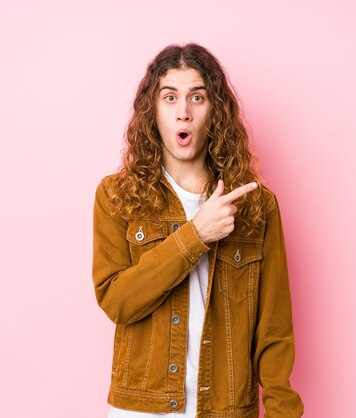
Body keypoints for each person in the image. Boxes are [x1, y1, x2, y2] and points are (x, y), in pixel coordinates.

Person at [92, 43, 304, 418]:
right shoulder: (117, 196)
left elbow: (274, 332)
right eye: (170, 97)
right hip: (143, 409)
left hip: (224, 409)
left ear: (214, 111)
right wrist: (197, 235)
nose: (183, 113)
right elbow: (118, 301)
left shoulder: (257, 206)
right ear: (152, 111)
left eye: (197, 98)